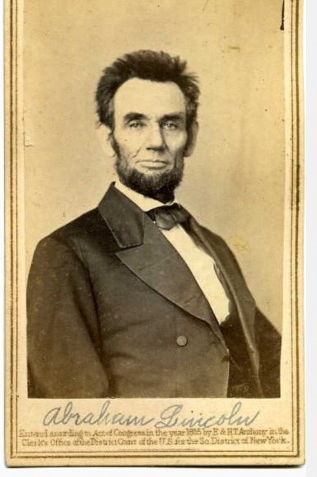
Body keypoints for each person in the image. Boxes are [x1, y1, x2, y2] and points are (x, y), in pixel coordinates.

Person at [27, 50, 281, 399]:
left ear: (190, 137)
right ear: (107, 138)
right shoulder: (67, 252)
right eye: (136, 123)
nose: (156, 142)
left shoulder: (214, 245)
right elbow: (73, 414)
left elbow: (272, 366)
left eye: (170, 123)